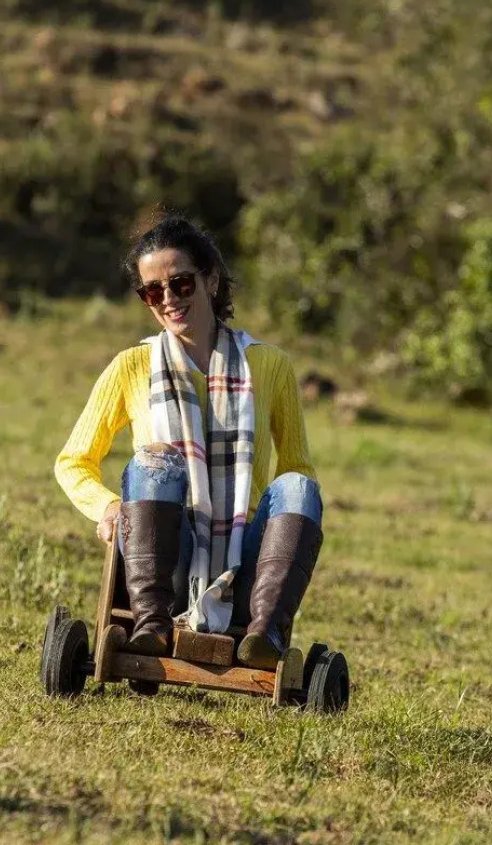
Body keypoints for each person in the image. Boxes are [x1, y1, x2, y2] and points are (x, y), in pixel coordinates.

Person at [54, 215, 323, 670]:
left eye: (180, 284)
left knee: (300, 485)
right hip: (161, 563)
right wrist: (105, 507)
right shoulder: (131, 366)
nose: (168, 301)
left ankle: (265, 632)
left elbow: (297, 466)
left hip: (246, 568)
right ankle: (153, 625)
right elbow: (73, 461)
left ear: (211, 280)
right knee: (154, 465)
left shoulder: (271, 366)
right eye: (151, 292)